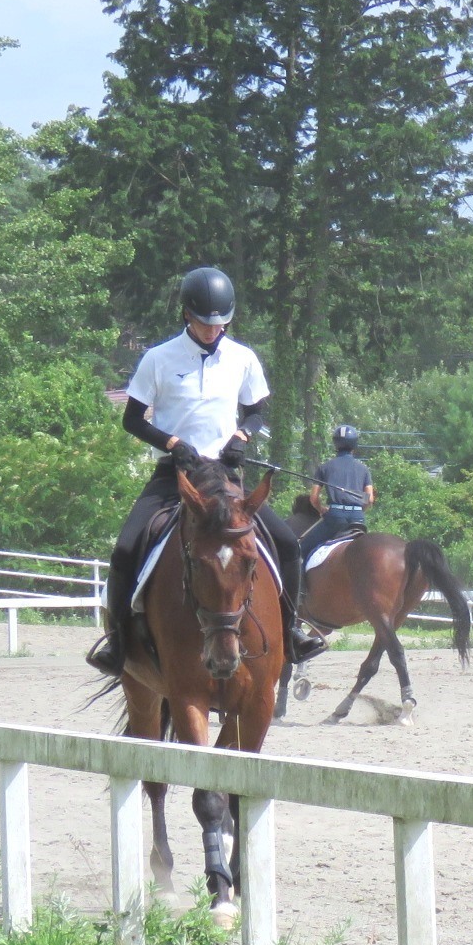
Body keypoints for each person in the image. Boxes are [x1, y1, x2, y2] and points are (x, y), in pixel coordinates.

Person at [86, 266, 328, 676]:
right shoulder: (159, 358)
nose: (213, 331)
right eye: (205, 323)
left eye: (221, 324)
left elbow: (256, 412)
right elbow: (132, 420)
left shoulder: (243, 358)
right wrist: (172, 444)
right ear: (186, 315)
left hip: (226, 478)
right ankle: (118, 643)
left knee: (287, 543)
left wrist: (242, 437)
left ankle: (291, 633)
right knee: (126, 548)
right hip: (175, 476)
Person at [299, 425, 375, 560]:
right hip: (358, 519)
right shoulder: (364, 469)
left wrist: (321, 509)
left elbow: (314, 498)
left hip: (335, 517)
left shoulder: (325, 467)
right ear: (354, 445)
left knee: (302, 547)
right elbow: (369, 499)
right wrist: (359, 511)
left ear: (336, 444)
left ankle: (301, 581)